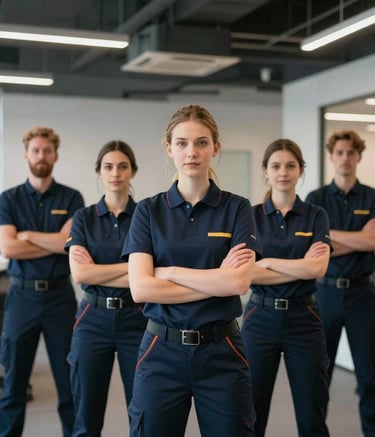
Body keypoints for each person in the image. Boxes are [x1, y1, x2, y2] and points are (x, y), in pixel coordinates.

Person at [121, 103, 259, 437]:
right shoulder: (148, 211)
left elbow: (239, 282)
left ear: (215, 148)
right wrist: (216, 280)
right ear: (169, 149)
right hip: (161, 351)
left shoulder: (238, 208)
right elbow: (141, 289)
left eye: (201, 142)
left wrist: (168, 272)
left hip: (222, 350)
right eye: (182, 143)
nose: (191, 152)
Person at [241, 138, 331, 437]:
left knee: (312, 413)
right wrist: (296, 267)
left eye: (290, 165)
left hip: (304, 318)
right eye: (276, 166)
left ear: (300, 170)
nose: (283, 172)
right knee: (251, 412)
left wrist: (267, 263)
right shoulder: (250, 216)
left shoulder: (316, 215)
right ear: (265, 171)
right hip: (260, 318)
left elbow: (317, 268)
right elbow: (246, 274)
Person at [0, 126, 84, 437]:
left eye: (47, 151)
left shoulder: (72, 197)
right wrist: (53, 240)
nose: (41, 156)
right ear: (26, 155)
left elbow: (69, 243)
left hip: (59, 298)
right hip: (21, 298)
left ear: (55, 156)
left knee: (68, 381)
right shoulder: (8, 199)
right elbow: (8, 248)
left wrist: (28, 236)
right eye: (36, 150)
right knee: (13, 386)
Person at [65, 140, 147, 436]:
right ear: (99, 172)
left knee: (141, 410)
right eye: (108, 167)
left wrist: (97, 272)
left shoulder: (146, 215)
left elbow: (150, 274)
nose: (116, 173)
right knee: (86, 414)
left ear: (133, 171)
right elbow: (80, 274)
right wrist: (131, 270)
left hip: (136, 318)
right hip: (92, 319)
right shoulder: (83, 218)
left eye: (123, 166)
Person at [306, 129, 375, 436]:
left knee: (370, 378)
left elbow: (372, 242)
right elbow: (311, 246)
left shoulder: (372, 197)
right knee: (319, 375)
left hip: (363, 294)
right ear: (331, 156)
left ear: (359, 156)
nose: (345, 158)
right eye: (340, 153)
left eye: (351, 152)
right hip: (325, 294)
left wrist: (330, 238)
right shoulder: (316, 200)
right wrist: (362, 240)